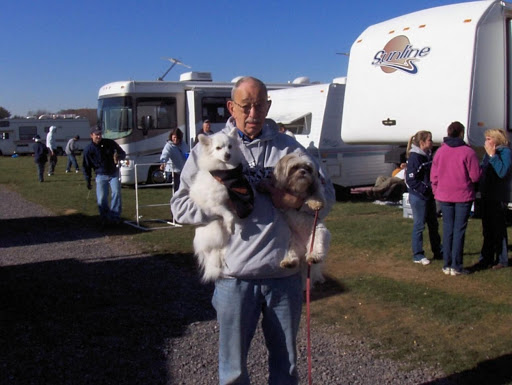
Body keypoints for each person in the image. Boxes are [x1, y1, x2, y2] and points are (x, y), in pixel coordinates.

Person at [171, 76, 335, 385]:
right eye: (245, 106)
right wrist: (223, 203)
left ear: (268, 106)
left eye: (260, 105)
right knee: (233, 372)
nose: (252, 113)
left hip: (284, 278)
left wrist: (293, 200)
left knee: (285, 368)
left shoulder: (290, 147)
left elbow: (326, 202)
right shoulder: (210, 148)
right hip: (235, 278)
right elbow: (179, 207)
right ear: (231, 107)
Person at [431, 122, 481, 276]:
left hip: (444, 195)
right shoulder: (468, 152)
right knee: (459, 230)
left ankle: (447, 264)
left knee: (448, 229)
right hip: (462, 195)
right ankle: (456, 265)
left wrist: (436, 191)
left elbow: (434, 176)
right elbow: (475, 176)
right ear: (461, 133)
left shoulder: (440, 151)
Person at [474, 129, 511, 270]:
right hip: (487, 195)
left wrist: (492, 155)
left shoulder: (505, 153)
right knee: (487, 228)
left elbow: (502, 171)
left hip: (498, 196)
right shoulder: (488, 155)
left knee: (498, 228)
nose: (486, 141)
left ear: (496, 140)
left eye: (489, 138)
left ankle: (502, 259)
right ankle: (487, 257)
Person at [405, 131, 442, 265]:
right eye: (429, 140)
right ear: (422, 143)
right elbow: (410, 180)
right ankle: (418, 254)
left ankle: (438, 250)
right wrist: (425, 189)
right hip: (419, 197)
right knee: (419, 225)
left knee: (433, 224)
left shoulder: (427, 155)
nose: (432, 142)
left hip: (428, 196)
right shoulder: (415, 158)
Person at [83, 126, 126, 227]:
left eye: (100, 134)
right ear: (91, 135)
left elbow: (122, 153)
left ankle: (115, 217)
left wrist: (118, 156)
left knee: (116, 193)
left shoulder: (110, 143)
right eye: (96, 134)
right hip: (100, 175)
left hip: (113, 173)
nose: (98, 136)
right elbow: (86, 166)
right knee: (102, 198)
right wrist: (88, 180)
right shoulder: (89, 149)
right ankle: (105, 218)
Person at [159, 127, 188, 192]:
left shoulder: (183, 144)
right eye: (174, 137)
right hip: (173, 171)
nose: (175, 139)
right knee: (176, 189)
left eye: (177, 138)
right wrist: (163, 163)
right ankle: (175, 201)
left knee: (183, 189)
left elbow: (186, 153)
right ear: (171, 137)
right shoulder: (168, 146)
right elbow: (165, 154)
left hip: (182, 170)